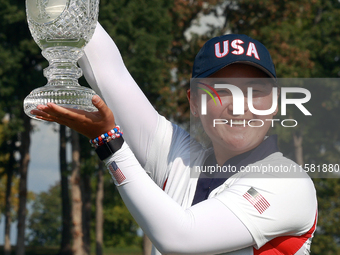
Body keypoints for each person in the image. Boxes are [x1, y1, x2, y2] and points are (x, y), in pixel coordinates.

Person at [31, 23, 318, 255]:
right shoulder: (180, 158)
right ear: (194, 102)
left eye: (255, 91)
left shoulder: (288, 181)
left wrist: (109, 143)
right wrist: (70, 8)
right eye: (221, 91)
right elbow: (110, 74)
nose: (239, 106)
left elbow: (181, 237)